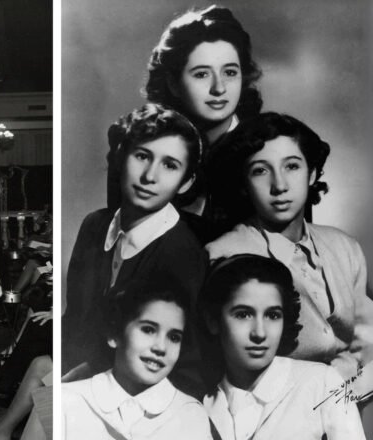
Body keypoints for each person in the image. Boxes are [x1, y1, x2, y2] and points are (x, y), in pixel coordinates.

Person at [206, 113, 373, 400]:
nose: (279, 185)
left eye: (292, 166)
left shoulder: (344, 247)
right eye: (260, 170)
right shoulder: (224, 255)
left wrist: (347, 390)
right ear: (244, 183)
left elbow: (368, 339)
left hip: (353, 410)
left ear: (311, 173)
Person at [63, 104, 207, 394]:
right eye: (142, 156)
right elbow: (76, 318)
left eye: (170, 165)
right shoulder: (95, 226)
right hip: (81, 376)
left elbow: (168, 358)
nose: (150, 176)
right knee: (40, 380)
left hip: (144, 389)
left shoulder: (182, 254)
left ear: (186, 181)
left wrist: (71, 384)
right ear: (120, 156)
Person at [200, 255, 364, 439]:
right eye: (243, 315)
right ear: (213, 320)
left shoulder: (322, 383)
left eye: (273, 315)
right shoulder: (200, 407)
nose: (259, 333)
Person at [132, 6, 263, 234]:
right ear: (173, 83)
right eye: (202, 74)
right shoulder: (143, 149)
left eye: (230, 72)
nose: (219, 88)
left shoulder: (269, 146)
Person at [62, 280, 210, 439]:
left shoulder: (191, 415)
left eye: (174, 337)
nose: (161, 347)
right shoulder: (64, 400)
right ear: (114, 335)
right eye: (148, 330)